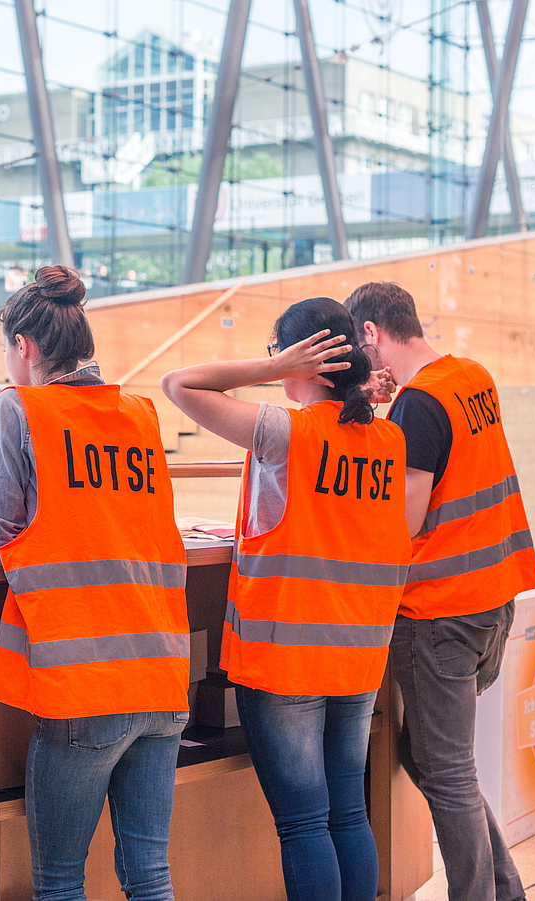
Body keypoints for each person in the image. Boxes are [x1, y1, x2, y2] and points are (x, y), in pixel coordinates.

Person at [0, 265, 191, 901]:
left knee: (58, 886)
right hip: (161, 672)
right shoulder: (138, 412)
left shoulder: (20, 408)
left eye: (5, 350)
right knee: (150, 878)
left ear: (25, 346)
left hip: (84, 682)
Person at [160, 297, 412, 901]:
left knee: (304, 823)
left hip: (287, 661)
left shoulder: (285, 431)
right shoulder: (391, 441)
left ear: (304, 360)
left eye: (281, 353)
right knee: (348, 813)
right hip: (358, 658)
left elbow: (179, 384)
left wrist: (275, 370)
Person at [344, 281, 535, 901]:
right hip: (492, 599)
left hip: (438, 609)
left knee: (445, 770)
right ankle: (502, 890)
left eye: (357, 345)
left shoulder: (419, 406)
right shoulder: (469, 376)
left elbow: (401, 521)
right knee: (431, 759)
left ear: (372, 334)